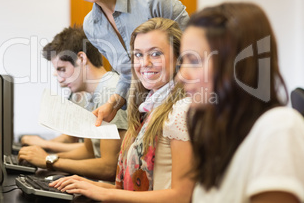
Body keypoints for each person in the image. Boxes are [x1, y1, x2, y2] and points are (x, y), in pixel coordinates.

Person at [178, 2, 304, 202]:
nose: (181, 76)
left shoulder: (279, 129)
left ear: (236, 63)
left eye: (193, 61)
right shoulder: (225, 135)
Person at [49, 18, 195, 202]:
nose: (145, 63)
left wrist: (104, 192)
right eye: (138, 55)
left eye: (156, 54)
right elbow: (134, 189)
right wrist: (90, 185)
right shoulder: (149, 106)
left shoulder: (181, 110)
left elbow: (181, 196)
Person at [57, 0, 190, 126]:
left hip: (181, 109)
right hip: (144, 116)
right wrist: (113, 104)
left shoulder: (154, 0)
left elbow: (196, 54)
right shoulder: (91, 26)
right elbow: (127, 75)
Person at [18, 25, 128, 181]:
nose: (60, 78)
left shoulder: (110, 92)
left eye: (62, 69)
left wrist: (49, 161)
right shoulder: (93, 95)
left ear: (81, 59)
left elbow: (109, 168)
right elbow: (88, 151)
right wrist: (47, 157)